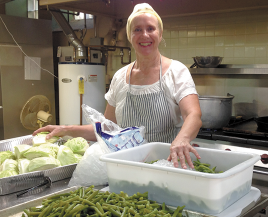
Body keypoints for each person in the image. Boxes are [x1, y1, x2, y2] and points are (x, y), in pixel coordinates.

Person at [33, 3, 202, 169]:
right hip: (125, 167)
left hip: (165, 166)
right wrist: (65, 129)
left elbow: (193, 114)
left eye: (150, 28)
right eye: (137, 30)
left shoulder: (176, 71)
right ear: (129, 35)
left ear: (160, 33)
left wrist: (182, 139)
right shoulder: (120, 77)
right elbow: (107, 128)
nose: (144, 35)